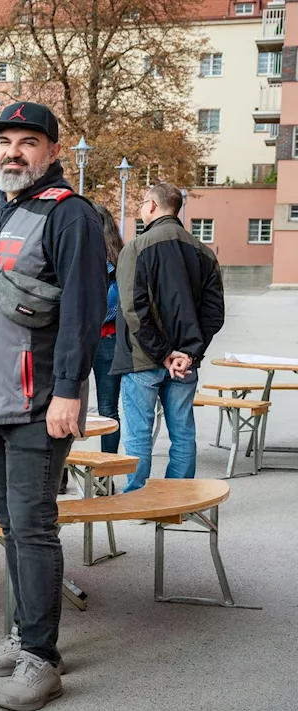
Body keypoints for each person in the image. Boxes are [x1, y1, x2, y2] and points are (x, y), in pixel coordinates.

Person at [0, 102, 107, 711]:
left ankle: (41, 659)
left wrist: (68, 391)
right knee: (12, 524)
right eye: (6, 141)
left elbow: (83, 309)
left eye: (28, 142)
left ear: (51, 150)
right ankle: (23, 636)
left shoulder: (71, 215)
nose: (13, 151)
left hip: (39, 400)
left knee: (34, 527)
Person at [111, 182, 224, 493]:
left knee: (138, 433)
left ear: (151, 206)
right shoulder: (203, 252)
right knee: (183, 431)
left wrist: (163, 353)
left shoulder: (136, 248)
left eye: (141, 203)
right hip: (184, 362)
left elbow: (134, 309)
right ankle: (179, 499)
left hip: (142, 359)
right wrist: (188, 352)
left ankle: (137, 496)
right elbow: (214, 313)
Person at [92, 203, 125, 455]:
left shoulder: (113, 262)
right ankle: (104, 476)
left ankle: (105, 473)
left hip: (99, 341)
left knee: (107, 410)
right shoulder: (121, 259)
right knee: (107, 409)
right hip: (107, 340)